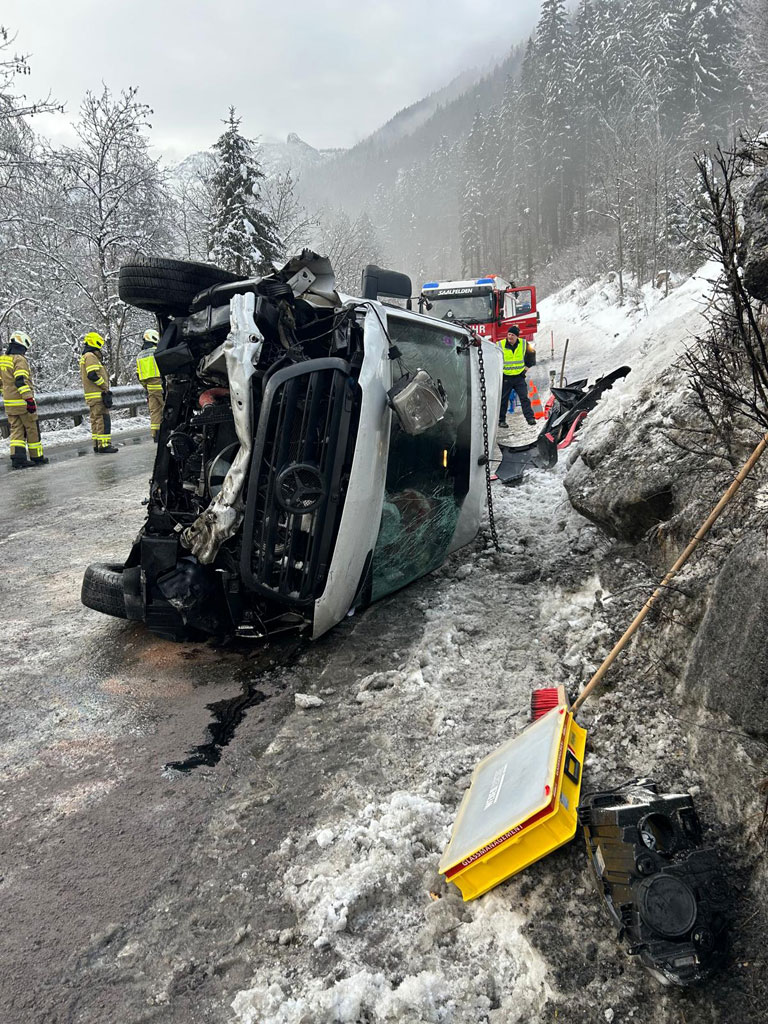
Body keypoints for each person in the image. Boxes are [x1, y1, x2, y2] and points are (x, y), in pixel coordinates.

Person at [0, 331, 49, 469]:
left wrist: (7, 394)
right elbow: (20, 381)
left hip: (9, 404)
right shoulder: (19, 360)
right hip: (22, 403)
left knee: (16, 430)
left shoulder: (3, 359)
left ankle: (18, 459)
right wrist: (29, 400)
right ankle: (37, 457)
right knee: (32, 428)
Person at [80, 332, 118, 454]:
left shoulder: (86, 356)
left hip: (92, 396)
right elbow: (92, 375)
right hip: (98, 395)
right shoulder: (91, 356)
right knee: (103, 420)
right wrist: (104, 386)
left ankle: (97, 444)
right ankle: (104, 445)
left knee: (95, 420)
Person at [498, 325, 536, 428]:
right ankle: (501, 420)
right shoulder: (500, 344)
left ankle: (530, 418)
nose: (510, 337)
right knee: (503, 400)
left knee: (524, 398)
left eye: (512, 335)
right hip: (506, 377)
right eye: (509, 334)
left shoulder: (523, 343)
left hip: (519, 377)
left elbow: (532, 354)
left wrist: (526, 368)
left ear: (517, 336)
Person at [136, 328, 164, 441]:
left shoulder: (140, 355)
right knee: (167, 409)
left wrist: (146, 386)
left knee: (154, 411)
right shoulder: (157, 352)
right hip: (160, 385)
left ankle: (155, 435)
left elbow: (138, 374)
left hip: (149, 388)